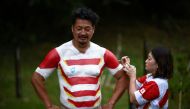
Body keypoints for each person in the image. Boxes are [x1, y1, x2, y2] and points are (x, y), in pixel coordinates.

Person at [31, 7, 127, 109]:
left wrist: (111, 103)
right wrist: (49, 105)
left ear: (93, 29)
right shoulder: (59, 53)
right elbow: (36, 78)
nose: (83, 33)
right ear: (72, 28)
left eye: (87, 29)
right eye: (79, 28)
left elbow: (123, 77)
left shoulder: (103, 53)